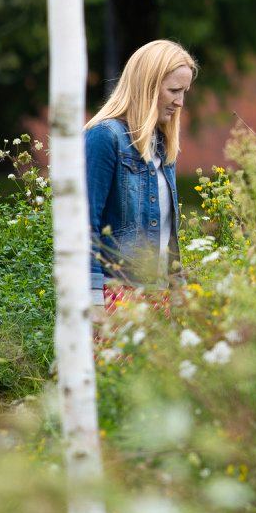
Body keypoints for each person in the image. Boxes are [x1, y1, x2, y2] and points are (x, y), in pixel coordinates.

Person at [85, 39, 198, 315]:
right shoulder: (104, 137)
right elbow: (85, 226)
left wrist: (178, 291)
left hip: (159, 296)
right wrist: (92, 299)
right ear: (147, 86)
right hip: (116, 296)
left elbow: (166, 234)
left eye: (184, 92)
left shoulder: (161, 144)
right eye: (173, 90)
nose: (180, 102)